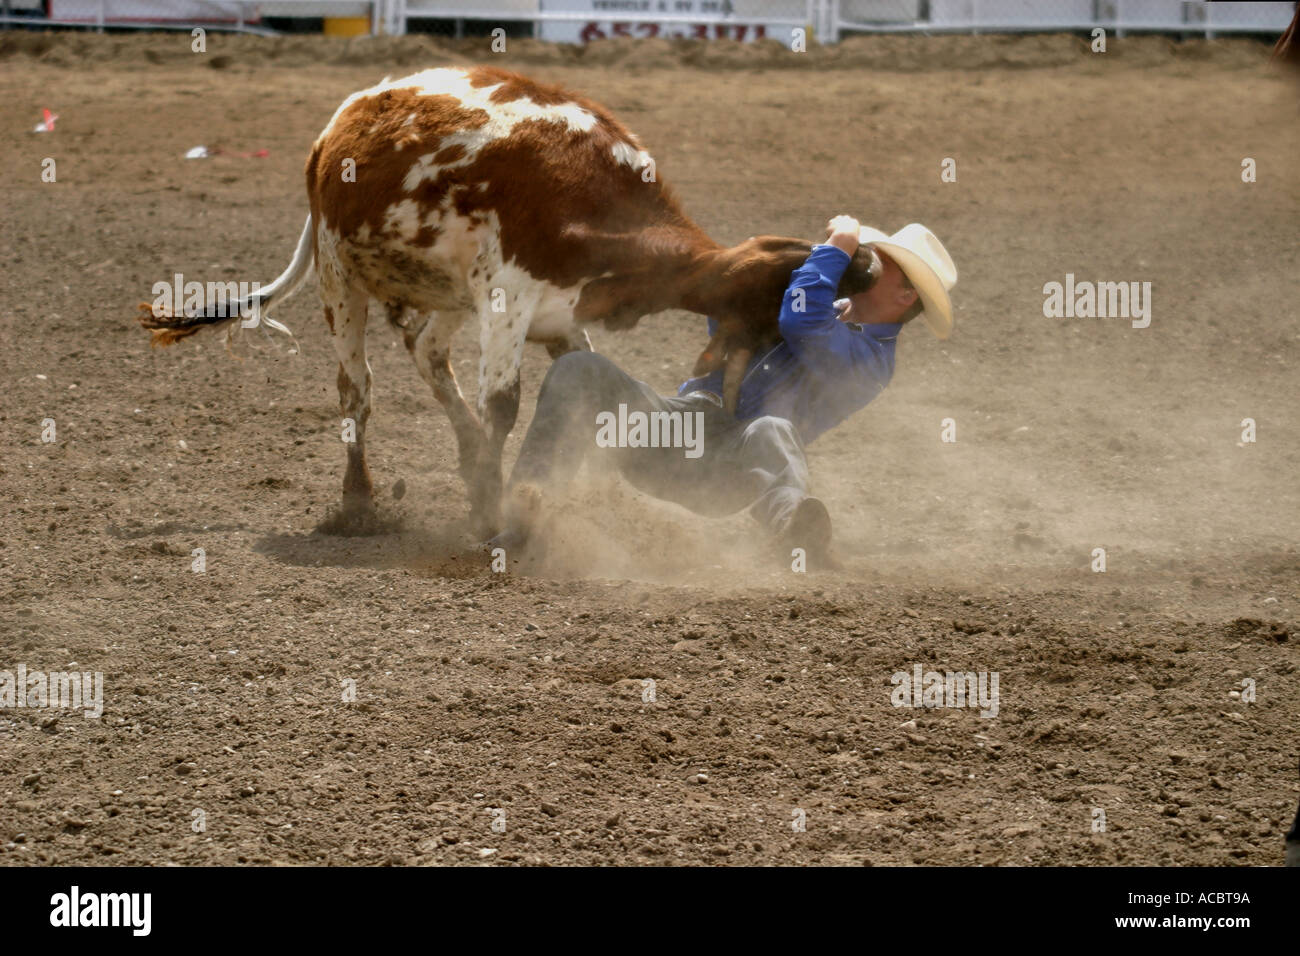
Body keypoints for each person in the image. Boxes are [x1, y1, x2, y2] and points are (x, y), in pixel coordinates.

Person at [491, 214, 958, 568]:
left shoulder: (872, 362)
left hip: (729, 472)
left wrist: (836, 249)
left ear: (905, 297)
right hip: (678, 435)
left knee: (773, 429)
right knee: (581, 371)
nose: (869, 264)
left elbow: (803, 323)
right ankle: (525, 521)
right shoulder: (827, 298)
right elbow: (727, 315)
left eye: (885, 265)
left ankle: (793, 532)